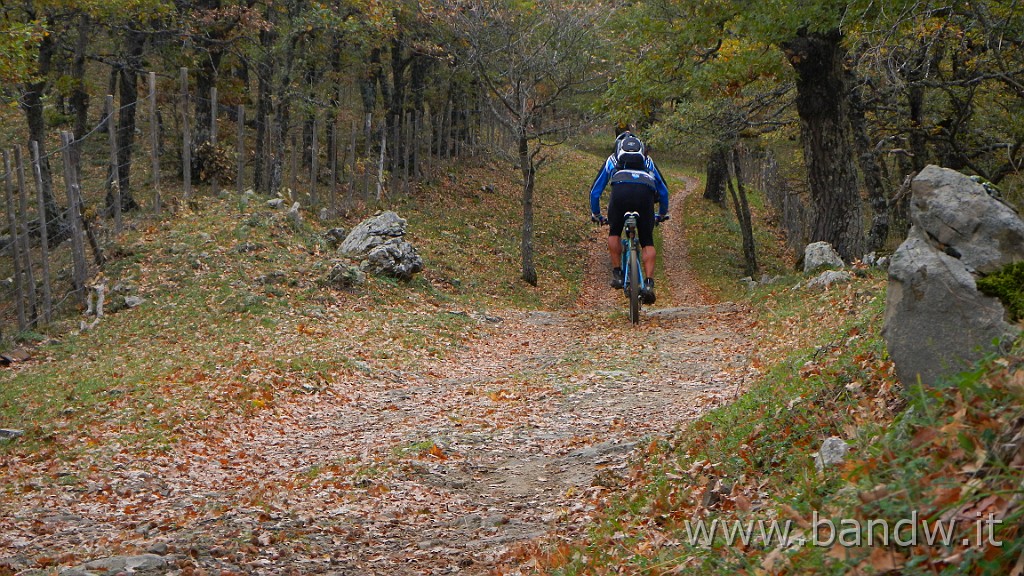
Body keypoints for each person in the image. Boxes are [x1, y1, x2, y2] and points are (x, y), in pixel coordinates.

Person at [588, 131, 669, 304]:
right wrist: (661, 214)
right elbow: (663, 191)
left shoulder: (612, 160)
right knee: (647, 240)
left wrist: (597, 214)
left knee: (614, 231)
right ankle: (648, 283)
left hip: (620, 194)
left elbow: (595, 191)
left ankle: (617, 273)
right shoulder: (647, 161)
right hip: (644, 195)